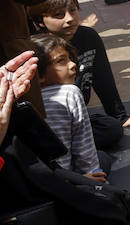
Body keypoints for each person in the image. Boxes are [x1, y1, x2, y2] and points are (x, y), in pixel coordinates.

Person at [30, 0, 130, 149]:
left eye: (73, 11)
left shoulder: (88, 37)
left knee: (111, 128)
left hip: (75, 118)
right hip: (48, 123)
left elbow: (103, 78)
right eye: (58, 15)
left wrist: (119, 116)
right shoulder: (35, 48)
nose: (70, 19)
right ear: (40, 21)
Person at [28, 33, 103, 180]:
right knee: (103, 157)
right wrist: (93, 180)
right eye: (61, 61)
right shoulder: (69, 93)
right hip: (65, 179)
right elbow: (84, 150)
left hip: (37, 182)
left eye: (70, 58)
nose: (73, 64)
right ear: (39, 74)